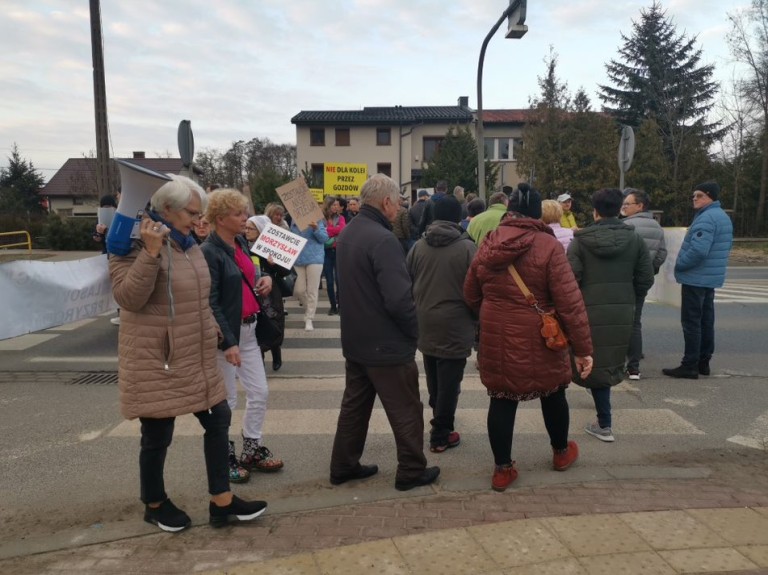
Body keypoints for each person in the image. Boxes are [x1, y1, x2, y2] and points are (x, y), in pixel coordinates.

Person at [109, 175, 267, 532]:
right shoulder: (129, 245)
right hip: (158, 359)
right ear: (166, 210)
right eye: (192, 213)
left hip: (196, 355)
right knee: (157, 434)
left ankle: (222, 501)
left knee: (218, 419)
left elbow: (201, 298)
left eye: (201, 213)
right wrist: (150, 254)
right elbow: (127, 299)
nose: (199, 220)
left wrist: (221, 336)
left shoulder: (189, 245)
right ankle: (154, 502)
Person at [464, 186, 593, 492]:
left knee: (502, 399)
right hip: (540, 334)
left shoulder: (488, 243)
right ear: (538, 213)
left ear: (510, 211)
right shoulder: (548, 247)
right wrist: (583, 349)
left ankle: (502, 470)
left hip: (497, 335)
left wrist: (493, 313)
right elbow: (570, 303)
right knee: (553, 393)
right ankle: (561, 453)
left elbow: (469, 293)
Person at [330, 173, 439, 491]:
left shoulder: (350, 232)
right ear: (387, 202)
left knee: (355, 405)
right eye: (398, 202)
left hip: (357, 339)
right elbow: (399, 298)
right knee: (406, 408)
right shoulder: (383, 238)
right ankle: (411, 470)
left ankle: (343, 465)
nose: (400, 208)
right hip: (386, 343)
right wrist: (413, 333)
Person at [201, 189, 284, 485]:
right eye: (239, 214)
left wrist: (265, 280)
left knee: (259, 393)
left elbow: (250, 276)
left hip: (250, 331)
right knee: (227, 400)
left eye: (244, 212)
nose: (245, 218)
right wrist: (228, 342)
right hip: (228, 336)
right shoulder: (209, 251)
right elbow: (210, 301)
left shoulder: (239, 243)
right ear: (220, 218)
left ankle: (251, 448)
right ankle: (225, 457)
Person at [568, 188, 654, 443]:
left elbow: (570, 280)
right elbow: (645, 278)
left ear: (594, 211)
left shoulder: (580, 241)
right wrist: (630, 298)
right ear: (619, 209)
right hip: (622, 308)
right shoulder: (635, 239)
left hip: (587, 309)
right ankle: (603, 421)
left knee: (588, 357)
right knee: (606, 360)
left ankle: (604, 424)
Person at [406, 194, 477, 453]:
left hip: (424, 321)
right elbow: (478, 288)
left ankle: (439, 415)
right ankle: (440, 434)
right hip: (456, 323)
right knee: (450, 382)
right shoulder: (468, 248)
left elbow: (407, 280)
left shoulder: (418, 247)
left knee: (434, 375)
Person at [663, 182, 733, 379]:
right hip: (709, 278)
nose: (694, 198)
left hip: (696, 277)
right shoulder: (722, 217)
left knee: (691, 322)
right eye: (694, 195)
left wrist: (679, 264)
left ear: (710, 197)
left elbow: (699, 250)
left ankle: (690, 365)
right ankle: (704, 362)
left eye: (699, 195)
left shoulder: (707, 218)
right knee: (706, 321)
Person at [621, 188, 668, 380]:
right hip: (641, 281)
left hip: (622, 281)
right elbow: (662, 254)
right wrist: (649, 270)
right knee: (635, 322)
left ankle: (616, 364)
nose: (623, 207)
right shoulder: (657, 227)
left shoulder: (625, 225)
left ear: (640, 206)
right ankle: (634, 368)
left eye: (627, 204)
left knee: (619, 322)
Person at [248, 215, 288, 372]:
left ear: (259, 230)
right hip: (253, 291)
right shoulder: (243, 245)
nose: (247, 231)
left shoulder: (271, 246)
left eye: (250, 228)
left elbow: (286, 271)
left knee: (274, 322)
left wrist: (274, 263)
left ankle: (276, 352)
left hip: (272, 293)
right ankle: (261, 360)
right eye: (246, 228)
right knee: (259, 326)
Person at [291, 214, 329, 331]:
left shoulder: (317, 219)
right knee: (298, 290)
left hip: (315, 258)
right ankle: (309, 310)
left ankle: (309, 318)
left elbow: (324, 238)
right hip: (298, 258)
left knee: (312, 290)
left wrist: (316, 228)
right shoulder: (292, 219)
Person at [322, 196, 345, 315]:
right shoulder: (322, 219)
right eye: (333, 205)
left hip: (338, 251)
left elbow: (342, 229)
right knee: (329, 281)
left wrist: (330, 230)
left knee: (339, 280)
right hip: (326, 252)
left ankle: (341, 305)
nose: (335, 207)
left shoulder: (340, 218)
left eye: (336, 205)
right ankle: (333, 306)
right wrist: (333, 230)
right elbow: (323, 233)